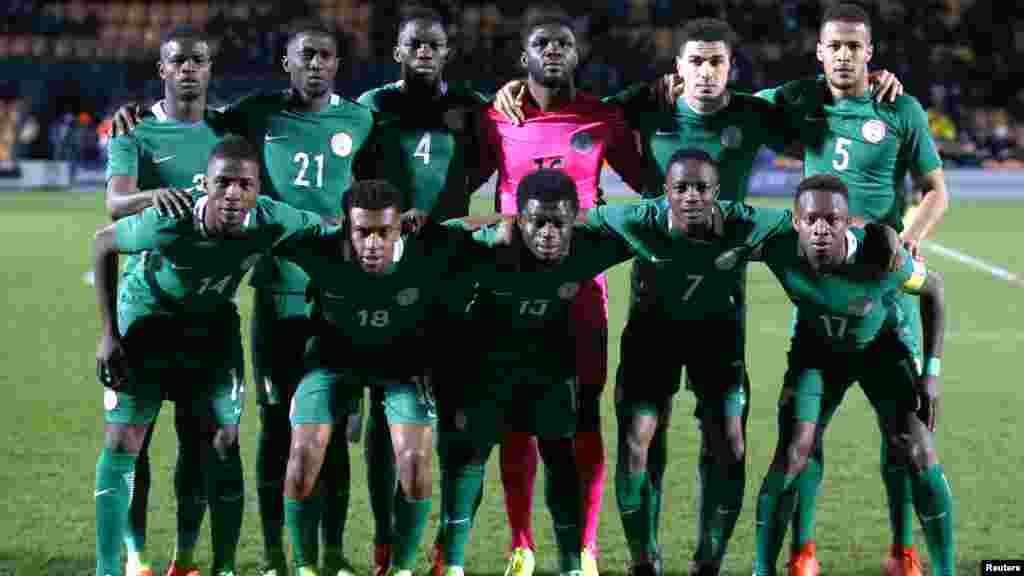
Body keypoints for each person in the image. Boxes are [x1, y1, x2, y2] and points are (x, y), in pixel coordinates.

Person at [113, 21, 376, 576]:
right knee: (276, 425)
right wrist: (135, 113)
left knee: (333, 424)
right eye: (305, 55)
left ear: (338, 63)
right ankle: (277, 554)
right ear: (286, 62)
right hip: (276, 292)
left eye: (325, 55)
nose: (315, 64)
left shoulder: (361, 119)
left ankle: (331, 552)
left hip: (338, 294)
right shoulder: (255, 114)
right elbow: (190, 116)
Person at [755, 5, 949, 573]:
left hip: (882, 290)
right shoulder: (803, 100)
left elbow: (936, 190)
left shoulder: (900, 109)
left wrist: (905, 242)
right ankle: (803, 551)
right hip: (820, 286)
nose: (843, 56)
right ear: (819, 52)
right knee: (803, 437)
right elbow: (738, 105)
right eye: (833, 46)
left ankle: (903, 550)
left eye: (853, 47)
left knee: (903, 435)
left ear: (870, 52)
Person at [93, 136, 334, 576]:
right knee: (124, 440)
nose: (233, 194)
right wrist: (109, 335)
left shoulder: (271, 219)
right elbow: (103, 242)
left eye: (245, 184)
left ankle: (217, 567)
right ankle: (110, 569)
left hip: (211, 327)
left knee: (223, 442)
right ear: (206, 184)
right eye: (223, 183)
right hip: (149, 320)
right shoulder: (171, 218)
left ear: (258, 189)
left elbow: (328, 229)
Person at [476, 15, 646, 576]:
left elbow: (650, 184)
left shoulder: (603, 117)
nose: (552, 50)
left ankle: (586, 546)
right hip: (511, 285)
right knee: (515, 418)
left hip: (581, 287)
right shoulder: (497, 116)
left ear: (579, 54)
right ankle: (521, 545)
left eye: (563, 43)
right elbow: (456, 184)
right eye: (541, 43)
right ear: (522, 55)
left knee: (585, 415)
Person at [585, 149, 790, 576]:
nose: (691, 196)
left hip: (717, 339)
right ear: (665, 191)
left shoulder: (744, 221)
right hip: (651, 338)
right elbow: (567, 219)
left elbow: (809, 222)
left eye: (701, 188)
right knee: (636, 441)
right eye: (681, 188)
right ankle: (643, 558)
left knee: (730, 443)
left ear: (717, 192)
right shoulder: (637, 218)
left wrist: (876, 236)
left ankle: (709, 560)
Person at [277, 179, 497, 576]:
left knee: (414, 463)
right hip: (332, 359)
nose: (373, 243)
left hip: (401, 364)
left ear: (400, 227)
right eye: (363, 231)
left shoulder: (429, 244)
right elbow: (262, 220)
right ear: (346, 226)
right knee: (304, 454)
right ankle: (306, 567)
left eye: (384, 231)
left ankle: (401, 569)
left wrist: (524, 219)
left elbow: (490, 226)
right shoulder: (319, 246)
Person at [750, 175, 953, 576]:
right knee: (792, 453)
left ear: (848, 223)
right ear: (796, 222)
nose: (821, 229)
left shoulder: (883, 256)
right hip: (817, 352)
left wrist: (931, 373)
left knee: (918, 449)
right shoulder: (777, 245)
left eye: (832, 220)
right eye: (811, 219)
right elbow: (722, 229)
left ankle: (944, 570)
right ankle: (764, 569)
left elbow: (934, 289)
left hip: (881, 348)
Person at [438, 168, 638, 576]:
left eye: (558, 223)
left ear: (575, 220)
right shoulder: (489, 245)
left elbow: (647, 222)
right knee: (469, 458)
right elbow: (434, 235)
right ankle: (453, 564)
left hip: (550, 371)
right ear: (519, 219)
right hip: (489, 370)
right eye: (537, 222)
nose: (547, 233)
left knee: (561, 459)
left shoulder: (590, 248)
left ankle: (571, 566)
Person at [353, 9, 490, 575]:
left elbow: (485, 164)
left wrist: (446, 213)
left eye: (434, 45)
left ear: (447, 52)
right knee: (385, 406)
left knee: (461, 413)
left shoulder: (472, 108)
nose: (425, 52)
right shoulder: (373, 106)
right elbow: (354, 173)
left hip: (452, 271)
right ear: (399, 52)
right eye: (415, 44)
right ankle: (386, 539)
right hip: (387, 274)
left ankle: (447, 551)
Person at [103, 25, 236, 576]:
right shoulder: (134, 131)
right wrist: (153, 195)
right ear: (162, 69)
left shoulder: (229, 130)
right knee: (130, 441)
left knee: (199, 443)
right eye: (178, 61)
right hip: (147, 311)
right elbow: (115, 204)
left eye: (197, 60)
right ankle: (136, 557)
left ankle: (184, 557)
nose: (188, 69)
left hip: (206, 314)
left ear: (209, 68)